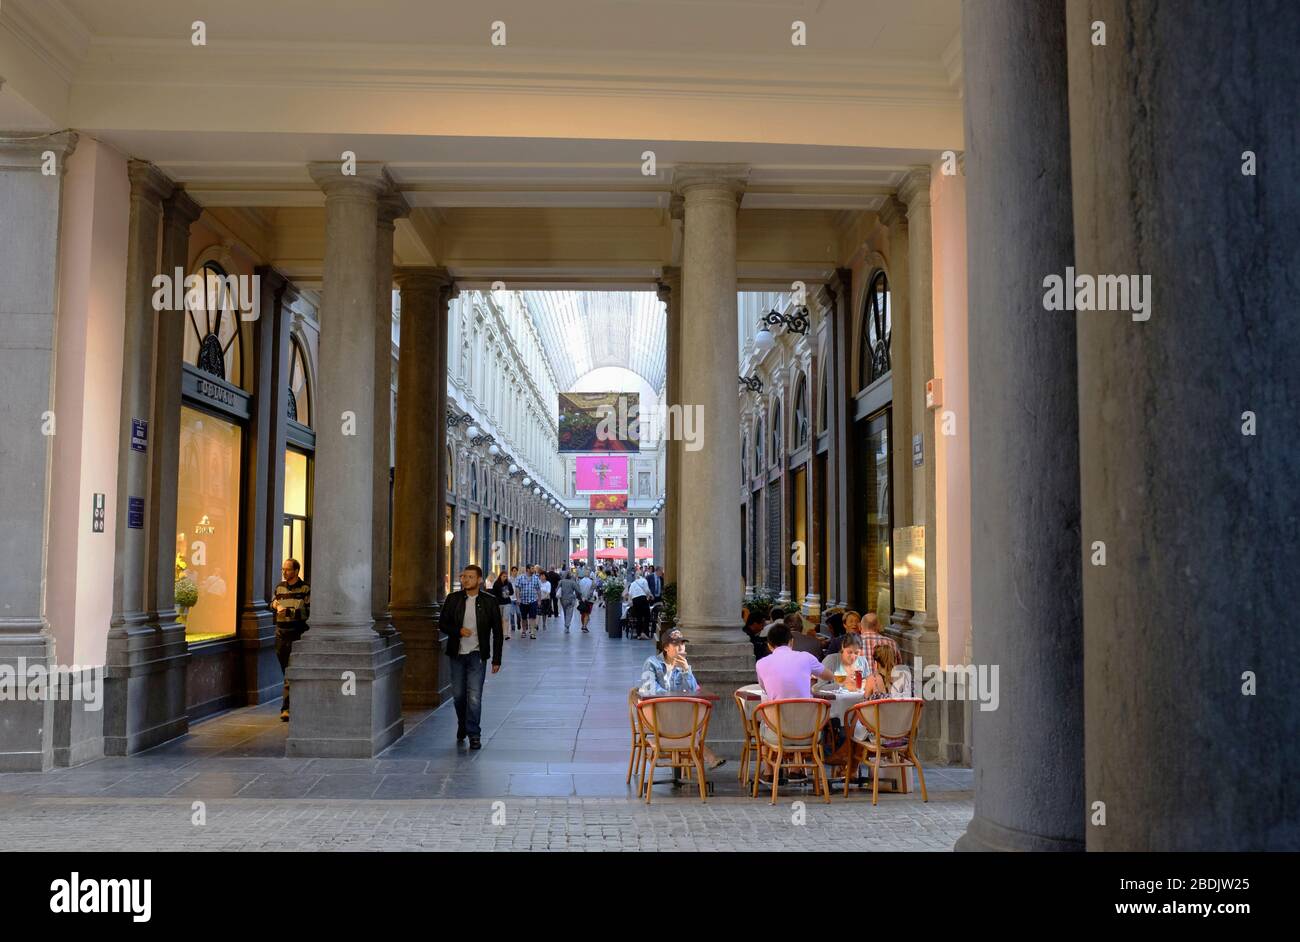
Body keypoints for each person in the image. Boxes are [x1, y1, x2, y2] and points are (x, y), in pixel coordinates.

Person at [638, 627, 725, 770]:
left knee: (695, 717)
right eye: (676, 644)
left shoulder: (683, 666)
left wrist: (686, 670)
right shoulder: (652, 663)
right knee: (689, 725)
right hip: (657, 716)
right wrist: (676, 699)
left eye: (683, 644)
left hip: (679, 716)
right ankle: (709, 757)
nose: (681, 647)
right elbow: (649, 690)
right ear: (666, 647)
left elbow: (694, 691)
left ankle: (706, 757)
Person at [438, 564, 504, 749]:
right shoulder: (453, 599)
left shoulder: (490, 601)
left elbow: (497, 632)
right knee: (458, 695)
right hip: (457, 654)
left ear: (479, 580)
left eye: (469, 577)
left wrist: (497, 659)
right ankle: (462, 724)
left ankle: (474, 734)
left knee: (474, 696)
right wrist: (458, 630)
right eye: (463, 576)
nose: (465, 580)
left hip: (477, 655)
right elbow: (442, 624)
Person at [755, 621, 835, 702]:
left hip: (776, 713)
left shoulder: (760, 664)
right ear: (791, 641)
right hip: (806, 713)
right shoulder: (806, 657)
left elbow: (765, 689)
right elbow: (830, 676)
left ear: (769, 645)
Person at [272, 558, 310, 722]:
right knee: (285, 669)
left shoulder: (305, 588)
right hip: (281, 633)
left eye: (287, 569)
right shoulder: (280, 587)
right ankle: (294, 703)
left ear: (296, 571)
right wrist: (275, 605)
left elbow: (306, 612)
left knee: (290, 670)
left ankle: (286, 708)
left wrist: (287, 612)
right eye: (283, 569)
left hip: (296, 633)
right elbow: (272, 602)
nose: (284, 572)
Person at [625, 566, 652, 639]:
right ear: (642, 574)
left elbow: (630, 594)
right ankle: (645, 633)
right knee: (646, 616)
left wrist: (630, 601)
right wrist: (649, 595)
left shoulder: (633, 583)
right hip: (643, 599)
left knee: (638, 617)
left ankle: (639, 634)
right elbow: (646, 590)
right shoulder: (644, 580)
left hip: (635, 600)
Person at [516, 565, 543, 639]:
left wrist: (539, 600)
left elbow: (538, 590)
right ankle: (524, 631)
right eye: (532, 568)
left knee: (532, 617)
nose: (533, 570)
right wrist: (518, 598)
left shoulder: (536, 578)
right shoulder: (520, 578)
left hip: (533, 600)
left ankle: (532, 632)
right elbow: (517, 589)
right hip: (523, 601)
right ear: (527, 569)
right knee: (524, 617)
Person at [491, 569, 514, 641]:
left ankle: (506, 634)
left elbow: (512, 592)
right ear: (500, 576)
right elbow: (493, 593)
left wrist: (508, 592)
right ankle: (499, 632)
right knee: (499, 619)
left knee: (506, 618)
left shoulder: (508, 583)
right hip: (499, 603)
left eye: (506, 576)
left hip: (507, 602)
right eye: (504, 576)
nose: (505, 578)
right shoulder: (496, 583)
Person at [557, 568, 579, 632]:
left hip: (563, 599)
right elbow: (578, 590)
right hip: (571, 599)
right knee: (569, 613)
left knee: (565, 612)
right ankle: (567, 625)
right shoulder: (572, 582)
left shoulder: (561, 581)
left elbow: (557, 589)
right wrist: (578, 596)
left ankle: (566, 624)